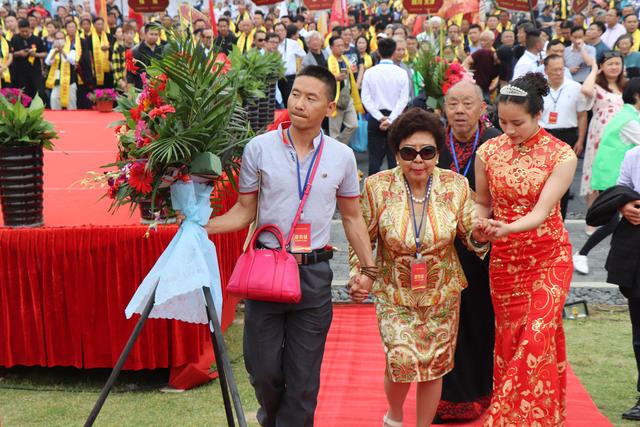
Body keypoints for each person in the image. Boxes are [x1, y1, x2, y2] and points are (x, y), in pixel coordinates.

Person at [199, 65, 376, 427]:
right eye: (296, 93)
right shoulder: (259, 148)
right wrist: (199, 227)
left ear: (330, 107)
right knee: (262, 371)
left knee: (303, 380)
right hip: (266, 272)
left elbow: (353, 218)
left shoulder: (341, 156)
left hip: (313, 273)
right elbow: (244, 211)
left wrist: (368, 270)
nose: (299, 103)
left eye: (311, 98)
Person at [349, 107, 489, 427]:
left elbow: (471, 234)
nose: (418, 160)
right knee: (401, 360)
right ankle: (395, 415)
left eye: (427, 152)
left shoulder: (454, 186)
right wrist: (363, 275)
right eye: (409, 152)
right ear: (396, 152)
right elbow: (362, 237)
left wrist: (482, 233)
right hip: (394, 292)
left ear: (437, 153)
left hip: (442, 293)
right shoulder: (376, 186)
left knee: (434, 365)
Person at [475, 73, 577, 426]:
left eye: (517, 122)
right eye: (501, 122)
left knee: (536, 337)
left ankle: (502, 419)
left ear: (537, 115)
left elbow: (540, 212)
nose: (509, 130)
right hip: (505, 263)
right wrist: (480, 224)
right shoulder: (488, 151)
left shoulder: (561, 155)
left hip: (548, 257)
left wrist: (505, 228)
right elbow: (482, 203)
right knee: (510, 343)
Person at [434, 80, 500, 423]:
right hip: (437, 248)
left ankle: (477, 393)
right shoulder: (431, 143)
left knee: (477, 320)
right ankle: (440, 398)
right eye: (453, 104)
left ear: (481, 108)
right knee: (441, 322)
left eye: (467, 104)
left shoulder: (494, 143)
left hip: (480, 250)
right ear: (445, 108)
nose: (460, 111)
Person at [573, 78, 640, 275]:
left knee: (616, 222)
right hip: (615, 178)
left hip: (613, 175)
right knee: (612, 222)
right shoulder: (629, 119)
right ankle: (582, 254)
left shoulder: (628, 114)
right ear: (637, 95)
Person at [540, 54, 593, 219]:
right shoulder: (539, 88)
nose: (558, 73)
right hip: (544, 134)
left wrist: (580, 140)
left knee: (562, 181)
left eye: (561, 69)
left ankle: (560, 218)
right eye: (554, 70)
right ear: (546, 70)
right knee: (542, 179)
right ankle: (541, 216)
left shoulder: (575, 87)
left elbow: (582, 115)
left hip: (567, 135)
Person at [580, 51, 626, 230]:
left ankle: (620, 218)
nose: (614, 67)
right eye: (610, 64)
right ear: (602, 66)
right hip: (600, 135)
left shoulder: (625, 86)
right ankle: (592, 220)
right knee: (595, 175)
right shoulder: (597, 87)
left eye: (617, 63)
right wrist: (593, 69)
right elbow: (585, 90)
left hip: (622, 137)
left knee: (620, 174)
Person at [360, 37, 409, 176]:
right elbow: (403, 99)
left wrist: (380, 117)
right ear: (394, 52)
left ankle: (371, 193)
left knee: (374, 159)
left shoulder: (370, 72)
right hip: (395, 118)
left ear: (378, 53)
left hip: (376, 118)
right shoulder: (401, 73)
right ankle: (395, 192)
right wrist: (391, 119)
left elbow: (366, 98)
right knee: (394, 158)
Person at [327, 35, 362, 144]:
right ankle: (336, 152)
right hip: (335, 99)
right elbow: (323, 79)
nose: (341, 48)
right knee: (334, 131)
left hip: (347, 96)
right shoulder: (328, 61)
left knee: (354, 125)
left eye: (342, 45)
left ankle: (340, 145)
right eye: (338, 46)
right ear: (331, 47)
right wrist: (334, 78)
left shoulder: (345, 59)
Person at [10, 18, 47, 101]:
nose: (24, 33)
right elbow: (10, 54)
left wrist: (35, 54)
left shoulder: (37, 39)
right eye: (22, 31)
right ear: (19, 29)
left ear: (30, 28)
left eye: (26, 31)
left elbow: (44, 53)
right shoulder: (15, 39)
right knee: (22, 95)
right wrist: (19, 53)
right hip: (20, 73)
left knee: (39, 93)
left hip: (35, 72)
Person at [45, 29, 77, 110]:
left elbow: (72, 61)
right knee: (54, 99)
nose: (59, 41)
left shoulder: (71, 49)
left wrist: (62, 51)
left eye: (61, 38)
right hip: (57, 80)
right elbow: (48, 62)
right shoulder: (53, 50)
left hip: (69, 80)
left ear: (65, 39)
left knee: (71, 102)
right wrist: (55, 52)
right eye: (57, 39)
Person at [276, 22, 305, 107]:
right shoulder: (272, 44)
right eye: (277, 30)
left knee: (290, 103)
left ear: (285, 31)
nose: (279, 32)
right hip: (277, 79)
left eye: (281, 30)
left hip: (289, 79)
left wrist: (300, 71)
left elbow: (304, 56)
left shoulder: (293, 43)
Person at [127, 24, 161, 90]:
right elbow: (130, 75)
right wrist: (130, 94)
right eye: (151, 34)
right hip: (141, 90)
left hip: (158, 90)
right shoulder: (136, 50)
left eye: (156, 34)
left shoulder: (161, 50)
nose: (154, 36)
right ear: (145, 34)